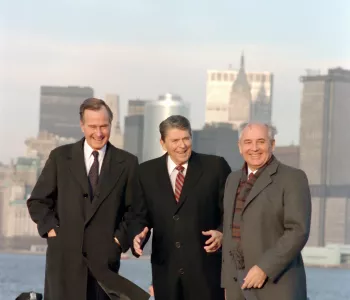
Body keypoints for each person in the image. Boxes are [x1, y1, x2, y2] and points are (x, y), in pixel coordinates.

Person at [27, 98, 149, 300]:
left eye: (104, 126)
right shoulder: (60, 157)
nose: (99, 133)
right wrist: (53, 231)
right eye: (93, 126)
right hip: (64, 262)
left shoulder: (127, 163)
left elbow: (136, 211)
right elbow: (38, 201)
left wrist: (118, 241)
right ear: (82, 126)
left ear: (111, 124)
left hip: (104, 265)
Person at [129, 115, 231, 300]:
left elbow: (232, 212)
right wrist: (137, 236)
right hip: (165, 274)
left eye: (186, 138)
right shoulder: (145, 173)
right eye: (175, 140)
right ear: (163, 143)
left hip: (206, 273)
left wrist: (222, 233)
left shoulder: (215, 167)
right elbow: (138, 216)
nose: (182, 145)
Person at [221, 123, 311, 300]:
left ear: (272, 144)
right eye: (248, 142)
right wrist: (227, 285)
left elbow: (298, 231)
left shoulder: (292, 178)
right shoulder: (232, 180)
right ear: (240, 147)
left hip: (276, 285)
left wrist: (265, 268)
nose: (254, 148)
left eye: (260, 142)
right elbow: (231, 231)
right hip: (236, 288)